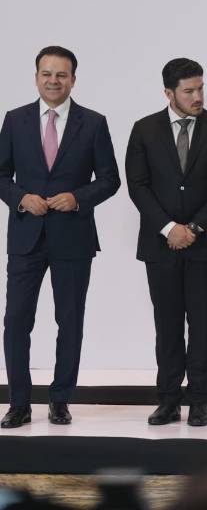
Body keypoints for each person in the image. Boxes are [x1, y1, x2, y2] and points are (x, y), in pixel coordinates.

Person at [0, 46, 121, 429]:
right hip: (26, 238)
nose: (54, 81)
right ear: (36, 76)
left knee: (70, 321)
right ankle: (19, 402)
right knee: (16, 321)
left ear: (73, 79)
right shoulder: (15, 120)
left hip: (73, 237)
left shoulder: (94, 122)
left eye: (62, 75)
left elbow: (110, 179)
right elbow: (1, 176)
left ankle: (59, 400)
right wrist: (21, 198)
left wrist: (78, 197)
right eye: (47, 74)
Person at [125, 58, 207, 427]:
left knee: (203, 324)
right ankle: (168, 399)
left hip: (204, 244)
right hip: (160, 246)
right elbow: (138, 185)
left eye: (200, 88)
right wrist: (168, 228)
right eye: (189, 90)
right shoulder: (144, 129)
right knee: (168, 324)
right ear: (168, 93)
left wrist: (193, 228)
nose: (197, 96)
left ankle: (199, 401)